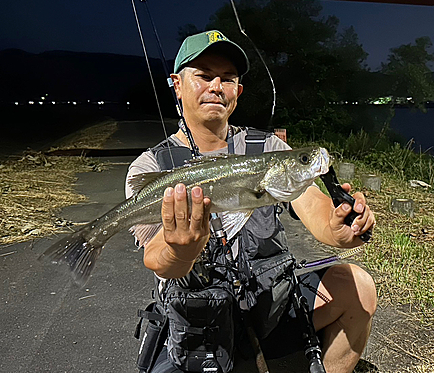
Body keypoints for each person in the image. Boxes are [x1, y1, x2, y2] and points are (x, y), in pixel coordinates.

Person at [126, 30, 377, 373]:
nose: (216, 86)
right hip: (200, 322)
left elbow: (316, 209)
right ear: (177, 85)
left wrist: (339, 230)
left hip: (270, 302)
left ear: (237, 91)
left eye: (227, 79)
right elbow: (156, 258)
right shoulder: (151, 168)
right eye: (203, 76)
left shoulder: (269, 151)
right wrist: (181, 251)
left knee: (357, 287)